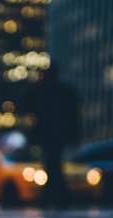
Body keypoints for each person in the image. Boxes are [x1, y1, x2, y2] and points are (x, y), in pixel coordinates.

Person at [25, 66, 80, 207]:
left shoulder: (56, 90)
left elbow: (72, 114)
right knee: (53, 164)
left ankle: (52, 197)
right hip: (51, 134)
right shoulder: (57, 90)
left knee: (52, 164)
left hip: (54, 134)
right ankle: (58, 197)